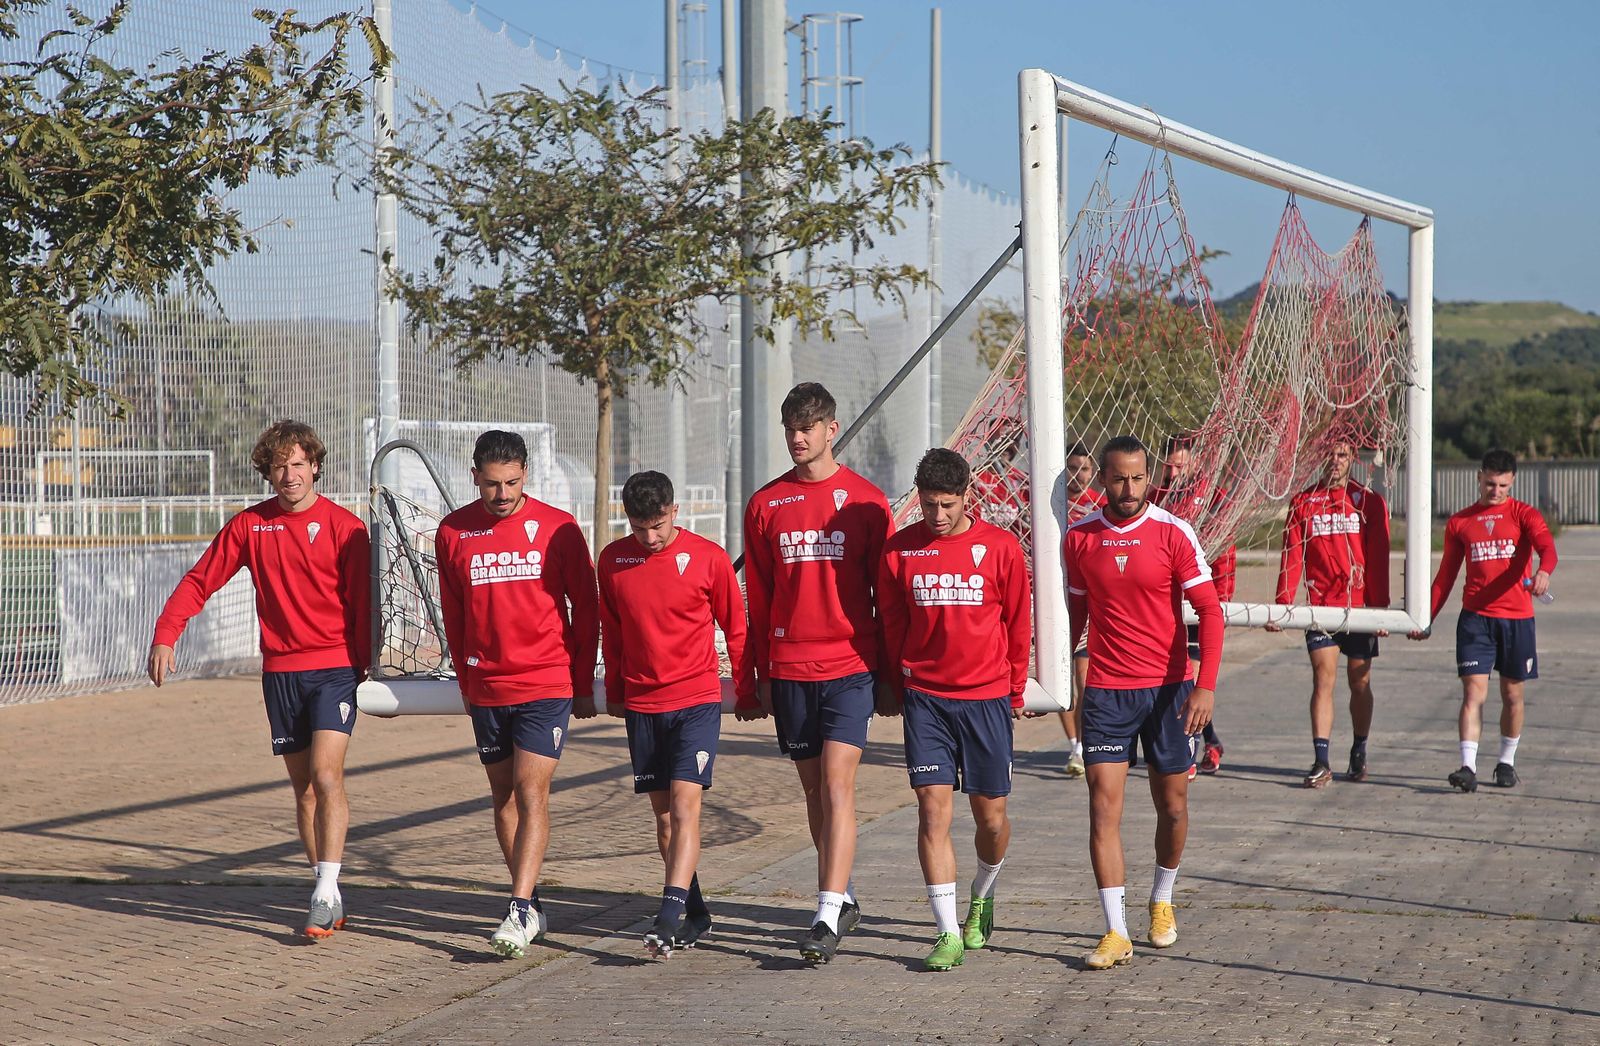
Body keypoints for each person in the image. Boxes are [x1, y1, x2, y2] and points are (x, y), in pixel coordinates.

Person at [148, 420, 369, 939]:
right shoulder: (250, 526)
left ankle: (321, 893)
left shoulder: (345, 527)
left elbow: (363, 602)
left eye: (298, 464)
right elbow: (201, 580)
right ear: (267, 471)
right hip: (280, 673)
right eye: (279, 466)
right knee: (305, 793)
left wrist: (365, 663)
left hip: (335, 668)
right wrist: (166, 633)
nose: (289, 475)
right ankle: (329, 890)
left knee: (326, 775)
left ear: (315, 465)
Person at [742, 382, 894, 964]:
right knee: (813, 792)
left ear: (833, 429)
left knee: (837, 785)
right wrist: (754, 673)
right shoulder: (765, 505)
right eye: (790, 428)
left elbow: (886, 594)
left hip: (851, 667)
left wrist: (888, 673)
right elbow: (757, 595)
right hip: (788, 667)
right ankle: (844, 896)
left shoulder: (866, 502)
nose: (798, 438)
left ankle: (825, 913)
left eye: (808, 427)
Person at [435, 430, 599, 958]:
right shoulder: (453, 531)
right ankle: (531, 905)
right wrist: (465, 678)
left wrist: (577, 679)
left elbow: (587, 608)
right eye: (491, 484)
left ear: (526, 474)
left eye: (511, 482)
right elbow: (454, 614)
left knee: (532, 792)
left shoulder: (559, 528)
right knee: (503, 796)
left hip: (545, 682)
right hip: (487, 685)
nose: (502, 494)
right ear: (474, 477)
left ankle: (519, 907)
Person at [1063, 435, 1223, 970]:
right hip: (1107, 691)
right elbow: (1075, 616)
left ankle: (1162, 897)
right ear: (1100, 479)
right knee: (1101, 806)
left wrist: (1205, 686)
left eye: (1136, 478)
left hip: (1170, 690)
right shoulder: (1080, 538)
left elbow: (1211, 612)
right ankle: (1114, 930)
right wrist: (1062, 676)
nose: (1127, 489)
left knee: (1172, 807)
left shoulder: (1173, 533)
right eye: (1117, 478)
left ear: (1146, 476)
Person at [878, 448, 1033, 972]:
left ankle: (983, 893)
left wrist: (1013, 691)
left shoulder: (1001, 548)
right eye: (928, 506)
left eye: (946, 505)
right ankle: (946, 932)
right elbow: (892, 624)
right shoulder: (899, 551)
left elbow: (1018, 623)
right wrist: (898, 683)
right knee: (931, 808)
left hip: (986, 699)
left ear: (969, 496)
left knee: (990, 819)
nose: (937, 516)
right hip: (926, 700)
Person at [599, 471, 752, 958]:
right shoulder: (613, 560)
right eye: (641, 527)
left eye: (659, 524)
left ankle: (666, 917)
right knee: (665, 822)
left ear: (675, 511)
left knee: (687, 808)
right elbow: (614, 630)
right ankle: (697, 913)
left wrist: (747, 690)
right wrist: (618, 688)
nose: (651, 537)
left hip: (695, 704)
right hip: (643, 707)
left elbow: (737, 627)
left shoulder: (707, 559)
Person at [1409, 448, 1557, 792]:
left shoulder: (1524, 515)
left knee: (1512, 695)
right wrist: (1424, 618)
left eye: (1503, 485)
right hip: (1475, 620)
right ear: (1479, 477)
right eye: (1490, 483)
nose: (1496, 491)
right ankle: (1467, 766)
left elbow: (1547, 548)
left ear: (1512, 482)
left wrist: (1544, 572)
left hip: (1517, 619)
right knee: (1473, 692)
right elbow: (1445, 577)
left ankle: (1506, 761)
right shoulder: (1461, 522)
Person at [1268, 440, 1391, 788]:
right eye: (1329, 455)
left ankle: (1359, 748)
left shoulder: (1367, 502)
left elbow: (1379, 557)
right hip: (1321, 607)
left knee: (1359, 682)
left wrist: (1380, 611)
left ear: (1352, 459)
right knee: (1323, 678)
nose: (1335, 462)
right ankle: (1321, 760)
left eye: (1342, 455)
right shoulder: (1303, 502)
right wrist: (1282, 604)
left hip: (1359, 608)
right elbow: (1292, 555)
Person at [1152, 434, 1232, 777]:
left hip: (1198, 600)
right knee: (1169, 677)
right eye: (1171, 464)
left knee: (1193, 676)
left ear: (1196, 462)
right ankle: (1209, 739)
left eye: (1182, 463)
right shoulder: (1155, 499)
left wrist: (1222, 595)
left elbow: (1226, 549)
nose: (1176, 470)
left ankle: (1196, 746)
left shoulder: (1215, 497)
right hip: (1162, 606)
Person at [1060, 441, 1105, 779]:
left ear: (1094, 473)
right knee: (1061, 682)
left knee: (1083, 680)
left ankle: (1085, 742)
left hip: (1089, 606)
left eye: (1085, 469)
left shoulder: (1101, 508)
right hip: (1055, 602)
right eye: (1072, 468)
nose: (1078, 475)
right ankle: (1075, 744)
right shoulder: (1049, 507)